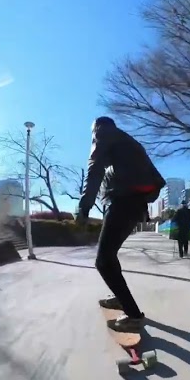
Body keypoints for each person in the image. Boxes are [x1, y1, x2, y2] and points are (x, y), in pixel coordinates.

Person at [75, 116, 166, 332]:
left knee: (103, 261)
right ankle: (120, 299)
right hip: (134, 206)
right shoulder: (127, 142)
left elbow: (94, 168)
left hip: (123, 204)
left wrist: (84, 206)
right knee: (109, 256)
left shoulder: (103, 133)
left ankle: (134, 315)